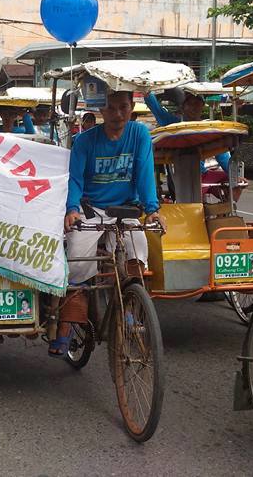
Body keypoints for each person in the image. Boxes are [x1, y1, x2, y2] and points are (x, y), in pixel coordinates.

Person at [55, 90, 162, 356]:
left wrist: (152, 210)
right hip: (90, 209)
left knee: (137, 256)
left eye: (123, 107)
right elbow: (75, 180)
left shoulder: (139, 134)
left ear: (131, 108)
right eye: (111, 108)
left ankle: (129, 310)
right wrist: (71, 209)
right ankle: (66, 327)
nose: (117, 114)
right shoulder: (84, 141)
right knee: (78, 263)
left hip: (125, 208)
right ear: (102, 111)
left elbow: (146, 173)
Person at [145, 91, 243, 200]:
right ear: (183, 107)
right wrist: (148, 94)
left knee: (238, 182)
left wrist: (235, 177)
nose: (194, 107)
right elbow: (157, 110)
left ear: (202, 106)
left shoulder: (207, 128)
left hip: (203, 175)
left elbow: (222, 154)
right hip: (180, 176)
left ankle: (225, 211)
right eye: (190, 104)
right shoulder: (174, 124)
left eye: (197, 104)